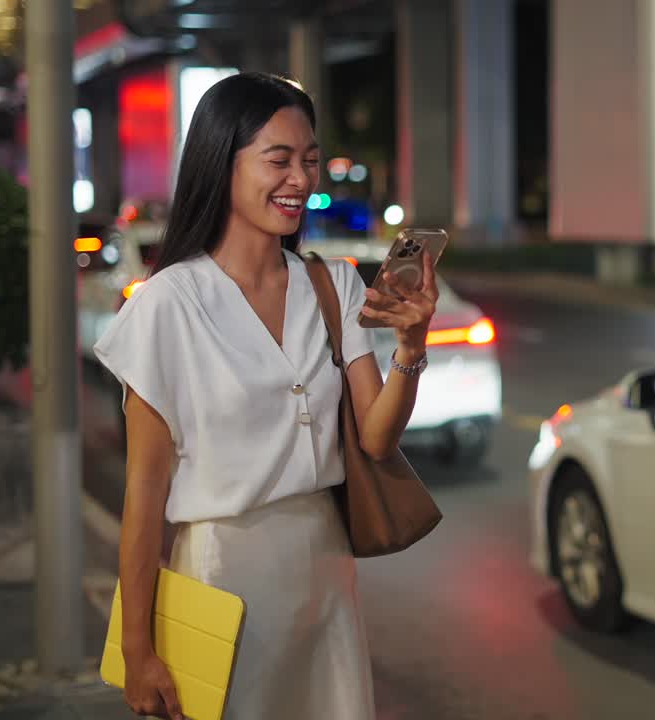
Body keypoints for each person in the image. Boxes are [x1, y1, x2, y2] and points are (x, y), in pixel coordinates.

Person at [94, 71, 436, 720]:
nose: (301, 180)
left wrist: (410, 349)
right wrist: (138, 647)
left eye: (309, 161)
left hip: (325, 568)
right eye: (277, 160)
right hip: (222, 577)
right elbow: (143, 495)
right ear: (221, 164)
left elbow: (376, 438)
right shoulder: (170, 303)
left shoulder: (333, 283)